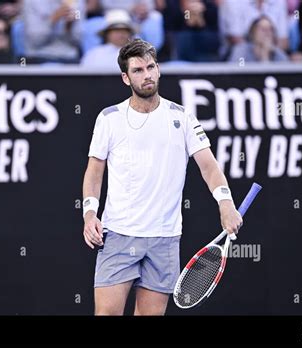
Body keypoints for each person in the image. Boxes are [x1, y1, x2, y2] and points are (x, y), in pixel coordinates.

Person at [82, 39, 243, 315]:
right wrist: (89, 213)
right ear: (125, 77)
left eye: (151, 67)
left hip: (165, 238)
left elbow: (209, 167)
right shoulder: (109, 119)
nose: (147, 75)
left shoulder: (182, 117)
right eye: (138, 70)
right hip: (119, 234)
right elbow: (95, 171)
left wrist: (225, 203)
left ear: (158, 69)